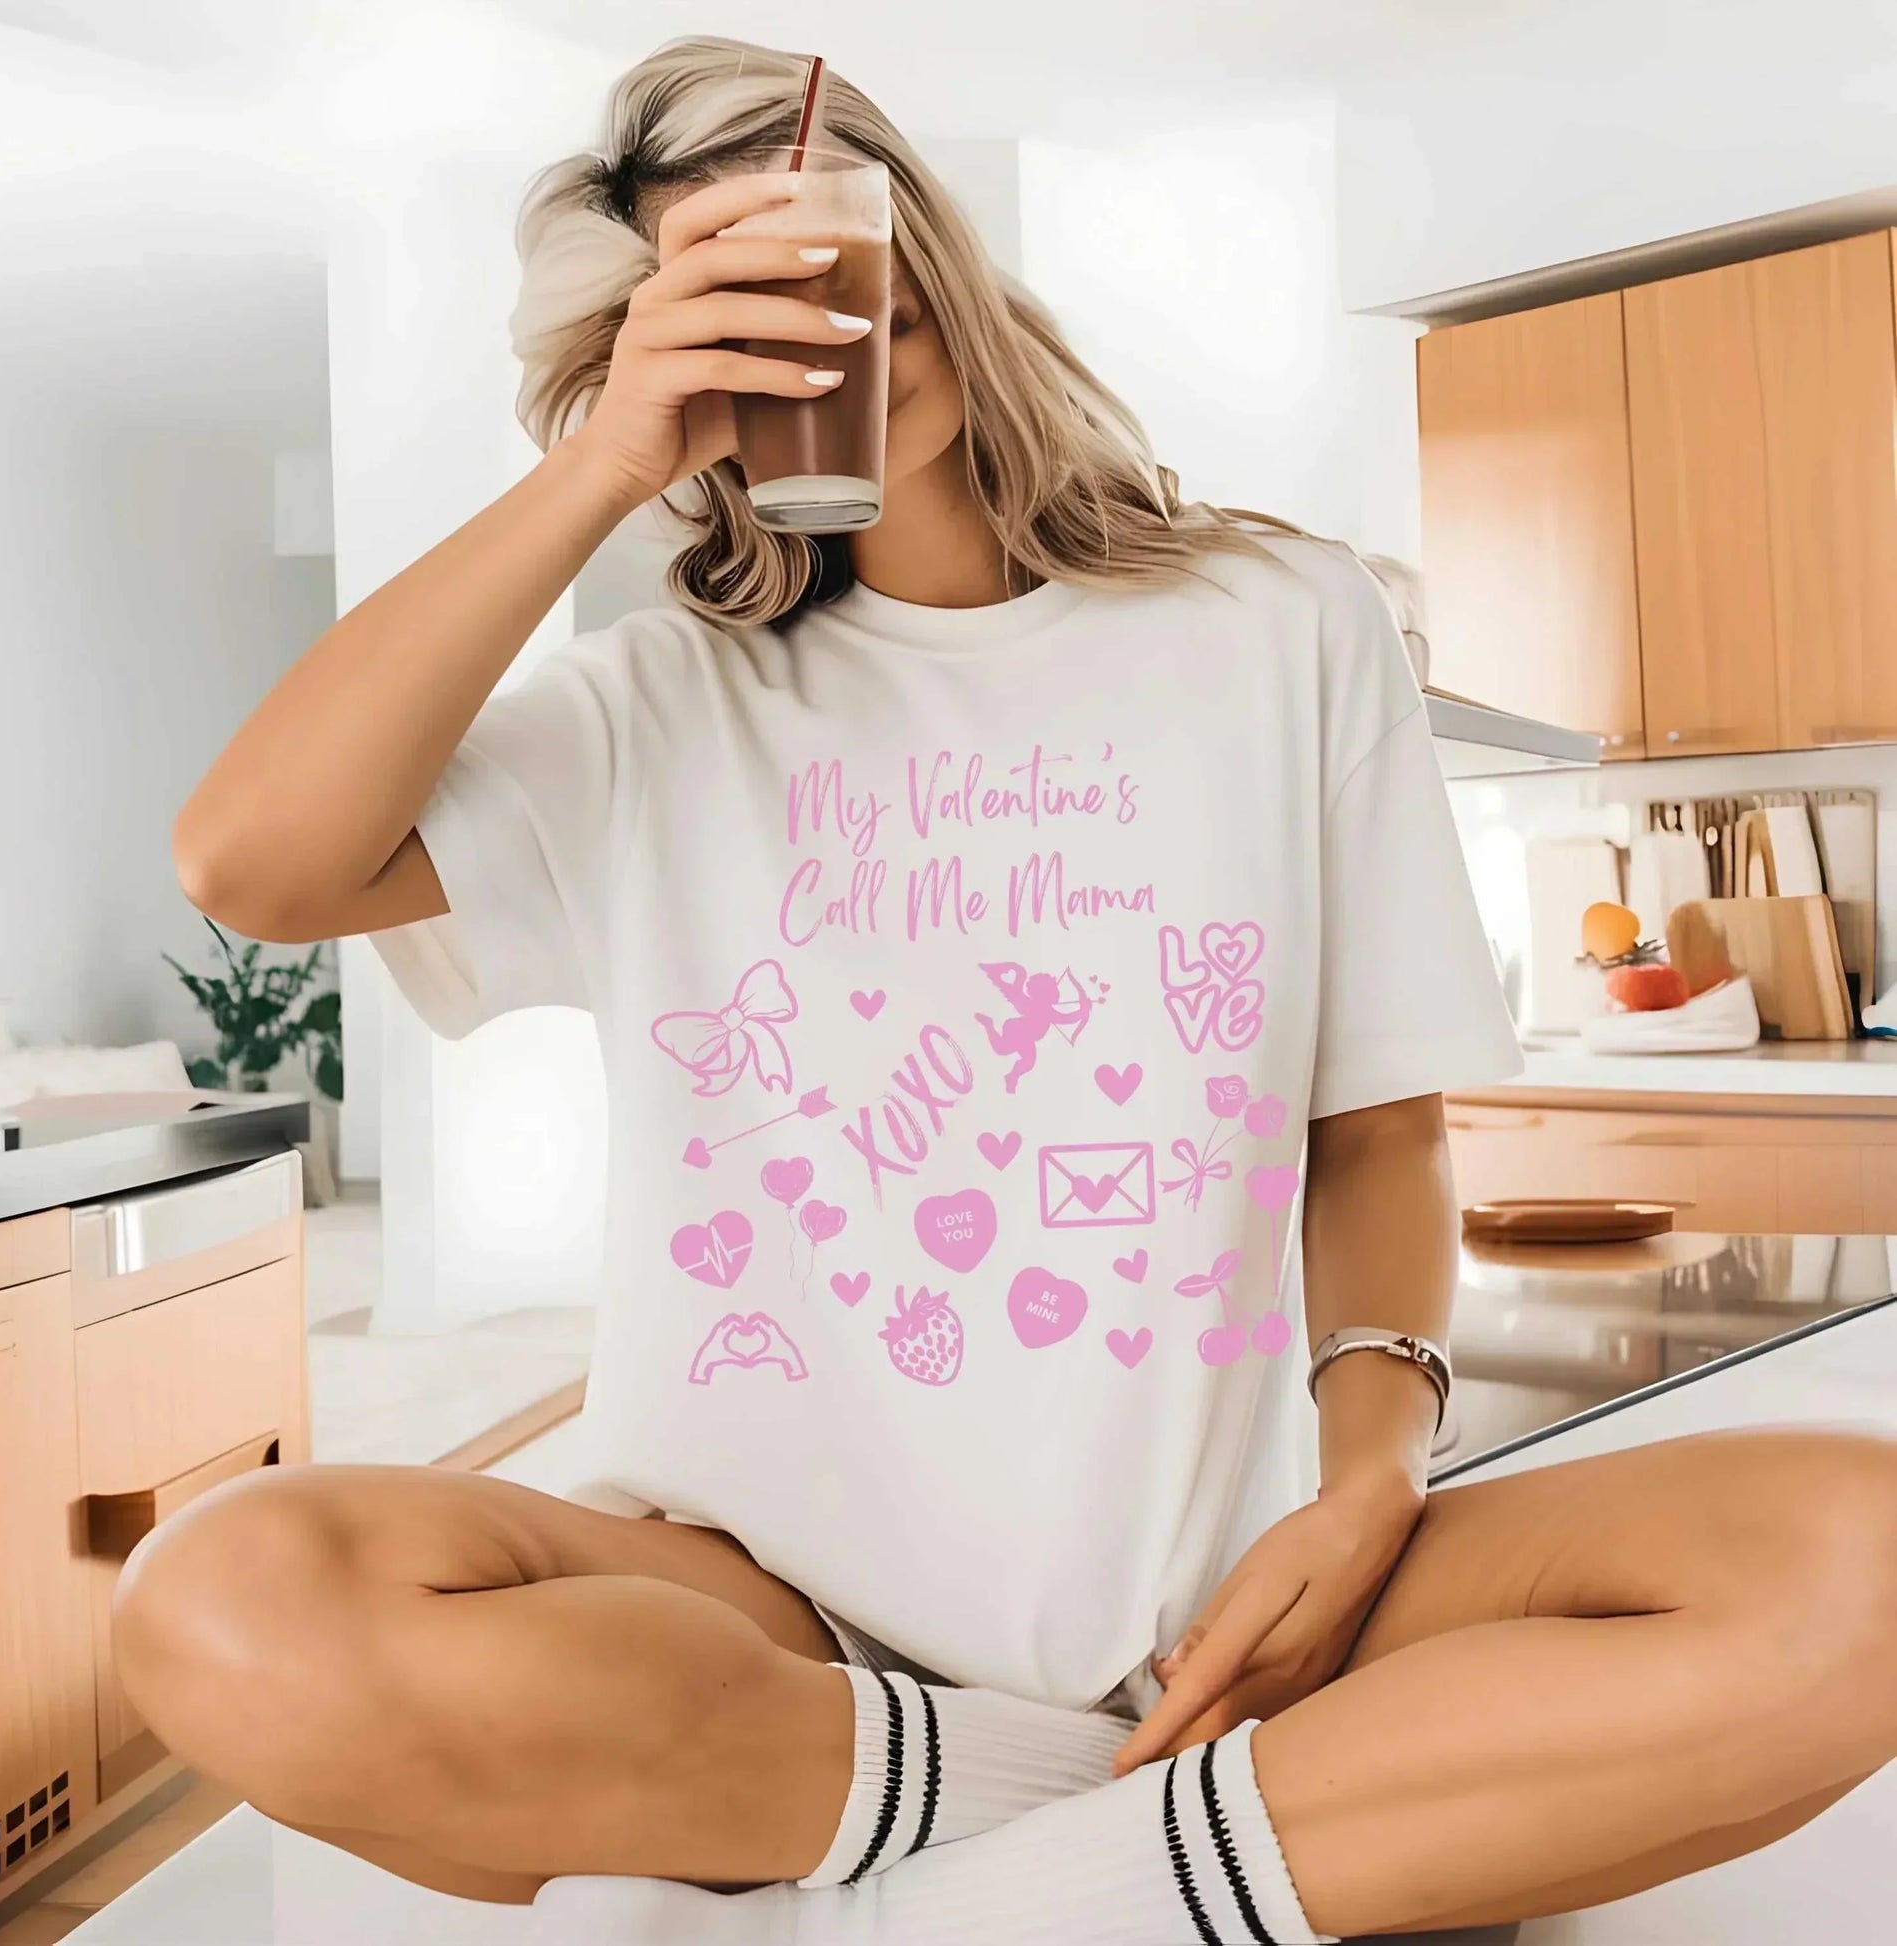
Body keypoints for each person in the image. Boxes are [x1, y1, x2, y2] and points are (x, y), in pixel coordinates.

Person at [115, 35, 1897, 1945]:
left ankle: (1022, 1889)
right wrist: (610, 464)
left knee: (1858, 1556)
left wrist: (1369, 1475)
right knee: (218, 1606)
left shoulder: (1281, 619)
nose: (810, 319)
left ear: (923, 244)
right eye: (721, 293)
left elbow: (1373, 1135)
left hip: (1219, 1582)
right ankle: (1086, 1821)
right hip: (767, 1613)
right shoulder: (648, 714)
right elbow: (250, 863)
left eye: (823, 248)